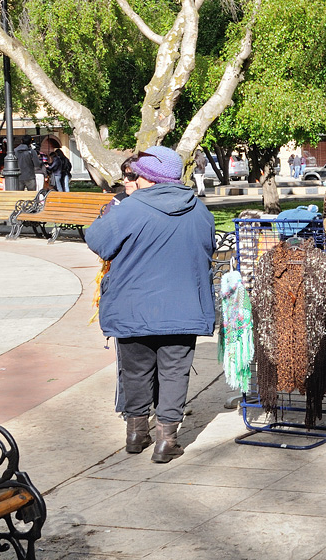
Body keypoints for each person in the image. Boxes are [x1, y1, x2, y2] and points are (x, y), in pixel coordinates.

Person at [85, 146, 215, 463]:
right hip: (183, 307)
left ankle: (135, 434)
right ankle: (166, 441)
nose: (134, 180)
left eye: (137, 175)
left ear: (150, 178)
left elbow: (97, 242)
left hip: (132, 307)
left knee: (135, 371)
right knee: (174, 373)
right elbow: (209, 247)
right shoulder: (199, 210)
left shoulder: (130, 208)